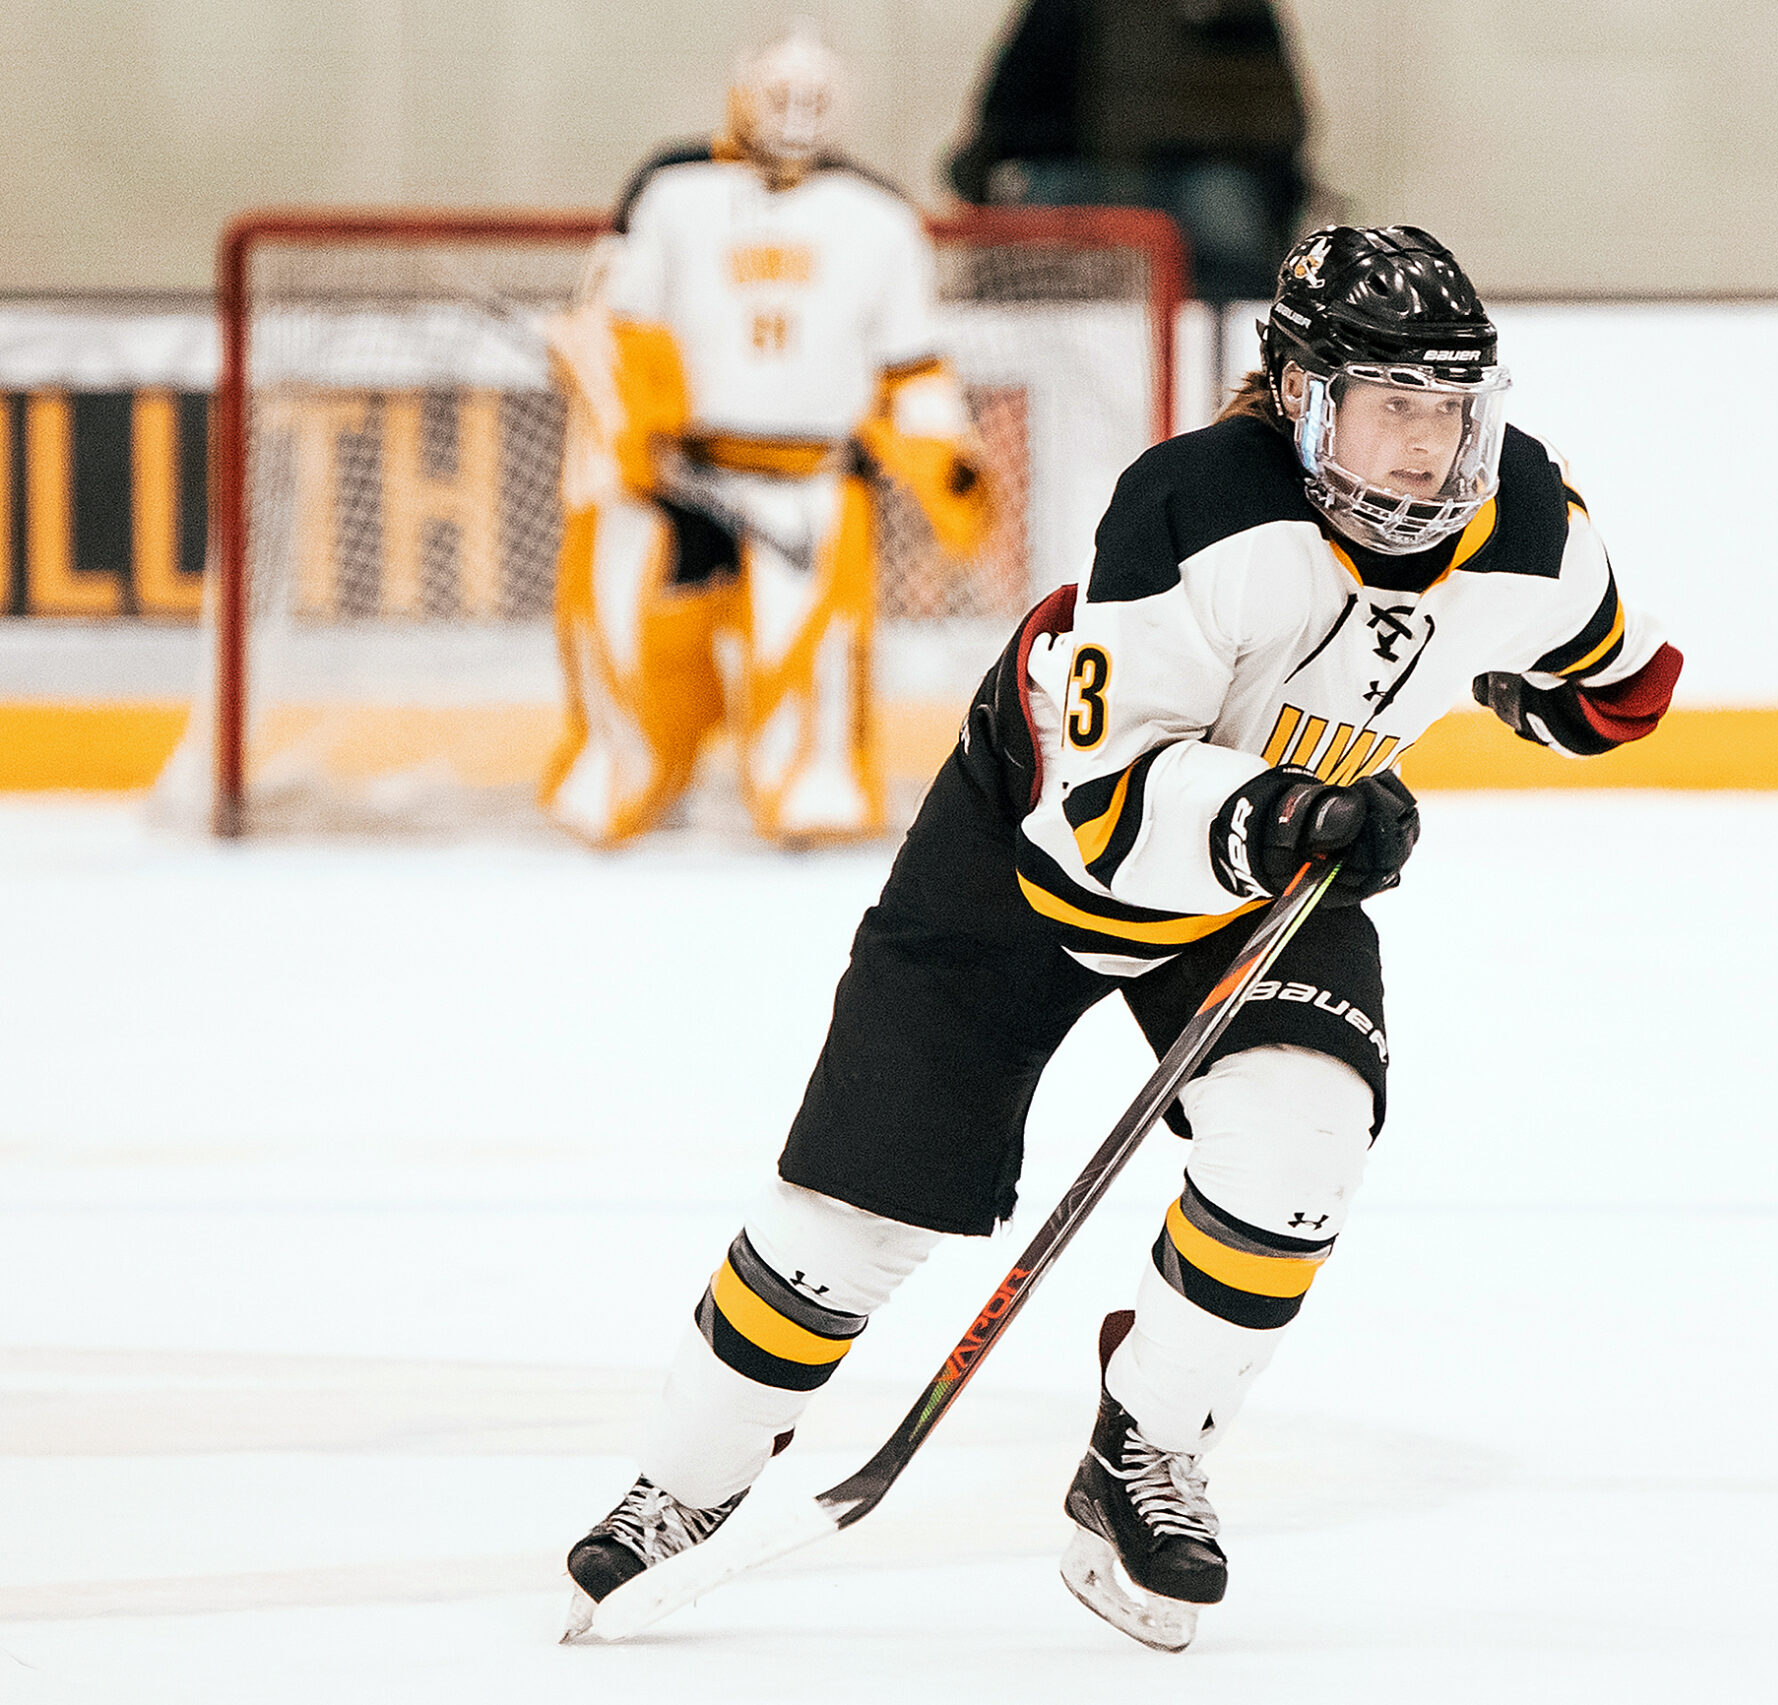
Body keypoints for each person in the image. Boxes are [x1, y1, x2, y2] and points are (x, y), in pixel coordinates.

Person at [561, 226, 1684, 1650]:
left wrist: (1549, 705)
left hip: (1267, 876)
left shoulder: (1523, 519)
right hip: (1029, 855)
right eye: (1392, 404)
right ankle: (686, 1484)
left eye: (1451, 407)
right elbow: (1102, 810)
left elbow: (1604, 678)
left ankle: (1141, 1452)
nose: (1425, 448)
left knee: (1303, 1146)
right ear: (1296, 392)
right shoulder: (1192, 505)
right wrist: (1286, 813)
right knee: (852, 1220)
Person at [543, 18, 994, 847]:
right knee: (619, 623)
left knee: (809, 654)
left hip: (810, 480)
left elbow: (911, 366)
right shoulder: (671, 192)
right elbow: (616, 329)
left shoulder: (879, 217)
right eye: (779, 94)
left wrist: (945, 461)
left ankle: (808, 790)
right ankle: (622, 773)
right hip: (674, 473)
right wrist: (628, 420)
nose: (793, 111)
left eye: (812, 98)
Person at [945, 0, 1311, 304]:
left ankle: (1224, 351)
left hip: (1194, 173)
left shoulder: (1229, 8)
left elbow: (1279, 116)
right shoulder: (1060, 8)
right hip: (1079, 170)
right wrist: (985, 164)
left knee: (1226, 216)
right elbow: (1010, 96)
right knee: (1036, 217)